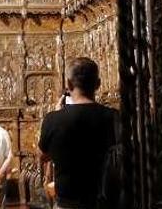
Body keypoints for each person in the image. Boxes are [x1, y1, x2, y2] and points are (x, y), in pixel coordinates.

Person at [39, 57, 117, 209]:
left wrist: (56, 115)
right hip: (102, 200)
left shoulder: (54, 118)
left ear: (68, 85)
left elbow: (43, 155)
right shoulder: (112, 116)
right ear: (98, 84)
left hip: (67, 202)